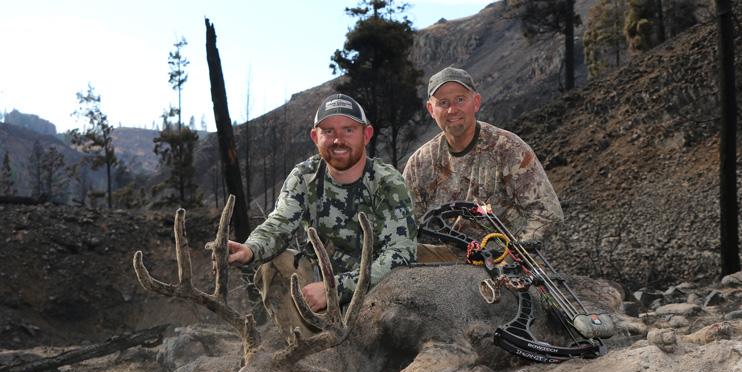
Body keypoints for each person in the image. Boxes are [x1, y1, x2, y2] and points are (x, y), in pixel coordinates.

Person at [228, 94, 417, 312]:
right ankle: (305, 338)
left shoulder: (387, 182)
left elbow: (401, 254)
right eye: (328, 131)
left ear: (366, 134)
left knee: (407, 282)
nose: (338, 140)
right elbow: (280, 223)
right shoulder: (304, 176)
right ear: (315, 137)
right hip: (321, 277)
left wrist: (334, 288)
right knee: (274, 265)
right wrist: (250, 248)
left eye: (348, 130)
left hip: (375, 286)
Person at [403, 66, 563, 259]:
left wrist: (514, 254)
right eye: (443, 103)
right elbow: (406, 225)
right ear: (431, 109)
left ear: (476, 102)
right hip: (446, 262)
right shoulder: (419, 164)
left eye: (460, 100)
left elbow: (548, 212)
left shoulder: (508, 148)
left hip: (503, 257)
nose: (452, 110)